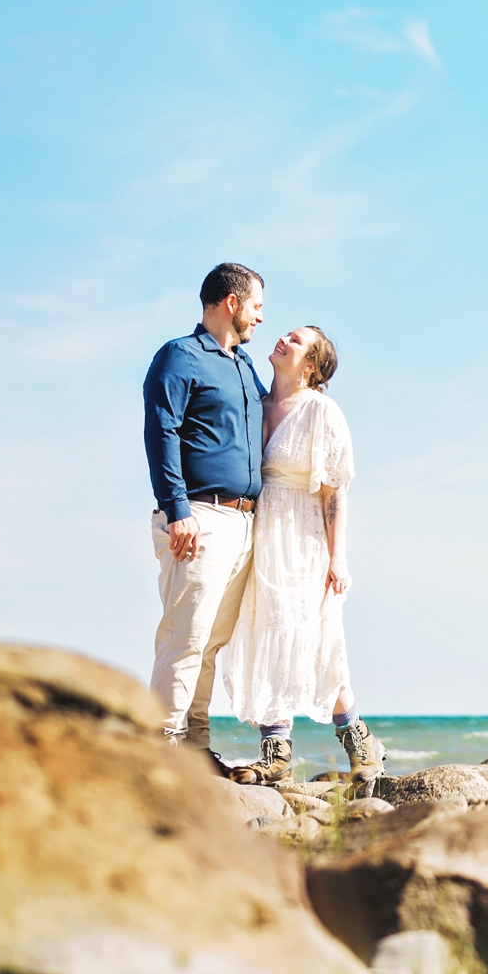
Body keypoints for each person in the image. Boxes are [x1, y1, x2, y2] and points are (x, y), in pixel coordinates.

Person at [222, 325, 384, 793]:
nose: (282, 340)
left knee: (316, 639)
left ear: (311, 365)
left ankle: (362, 746)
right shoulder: (256, 403)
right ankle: (276, 754)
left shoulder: (321, 411)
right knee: (264, 634)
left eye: (295, 340)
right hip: (260, 534)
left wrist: (338, 558)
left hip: (304, 538)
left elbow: (334, 493)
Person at [142, 262, 268, 766]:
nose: (261, 318)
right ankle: (162, 748)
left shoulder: (245, 367)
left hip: (244, 523)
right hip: (197, 516)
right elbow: (162, 430)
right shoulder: (180, 356)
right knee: (186, 636)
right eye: (257, 306)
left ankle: (194, 747)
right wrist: (177, 510)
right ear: (232, 303)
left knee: (211, 642)